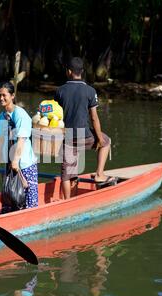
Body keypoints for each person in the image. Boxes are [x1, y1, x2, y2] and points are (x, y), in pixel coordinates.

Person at [54, 57, 111, 199]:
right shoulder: (90, 91)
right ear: (82, 72)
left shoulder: (60, 91)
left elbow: (55, 117)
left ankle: (67, 202)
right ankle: (99, 174)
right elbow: (94, 118)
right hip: (85, 136)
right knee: (106, 141)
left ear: (68, 71)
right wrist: (98, 138)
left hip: (67, 137)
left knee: (66, 175)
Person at [0, 82, 39, 212]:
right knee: (10, 197)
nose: (1, 98)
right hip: (9, 164)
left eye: (4, 95)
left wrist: (15, 161)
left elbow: (21, 139)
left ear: (12, 96)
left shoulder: (20, 114)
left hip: (24, 164)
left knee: (29, 201)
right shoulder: (1, 117)